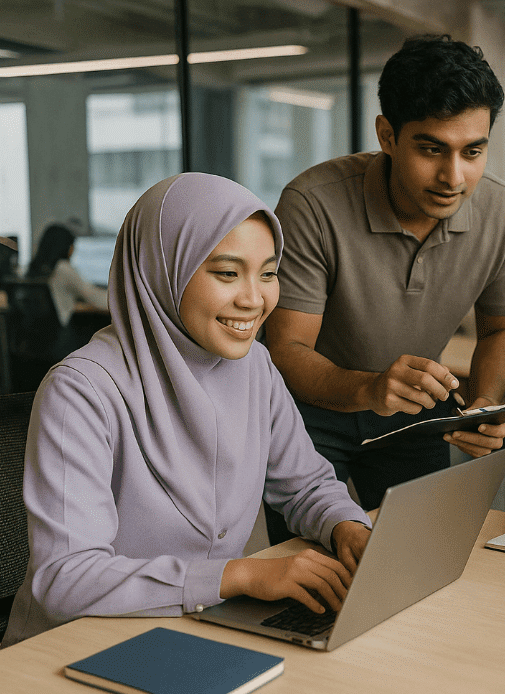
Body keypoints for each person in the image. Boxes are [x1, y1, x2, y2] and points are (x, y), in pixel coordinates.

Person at [1, 173, 373, 647]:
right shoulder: (82, 390)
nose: (254, 299)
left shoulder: (256, 367)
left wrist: (349, 527)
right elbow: (67, 579)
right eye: (226, 273)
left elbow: (307, 485)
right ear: (163, 269)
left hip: (191, 634)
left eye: (268, 272)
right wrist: (235, 577)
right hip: (71, 650)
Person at [265, 34, 505, 513]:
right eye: (431, 150)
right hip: (309, 413)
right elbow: (286, 349)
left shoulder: (503, 213)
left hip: (415, 414)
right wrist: (369, 389)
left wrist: (484, 403)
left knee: (416, 561)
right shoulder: (313, 203)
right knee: (308, 565)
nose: (454, 177)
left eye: (473, 152)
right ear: (387, 135)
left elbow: (503, 327)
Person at [26, 223, 109, 327]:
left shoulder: (34, 269)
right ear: (64, 246)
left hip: (41, 334)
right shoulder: (62, 268)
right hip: (62, 336)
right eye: (72, 245)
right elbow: (95, 298)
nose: (73, 249)